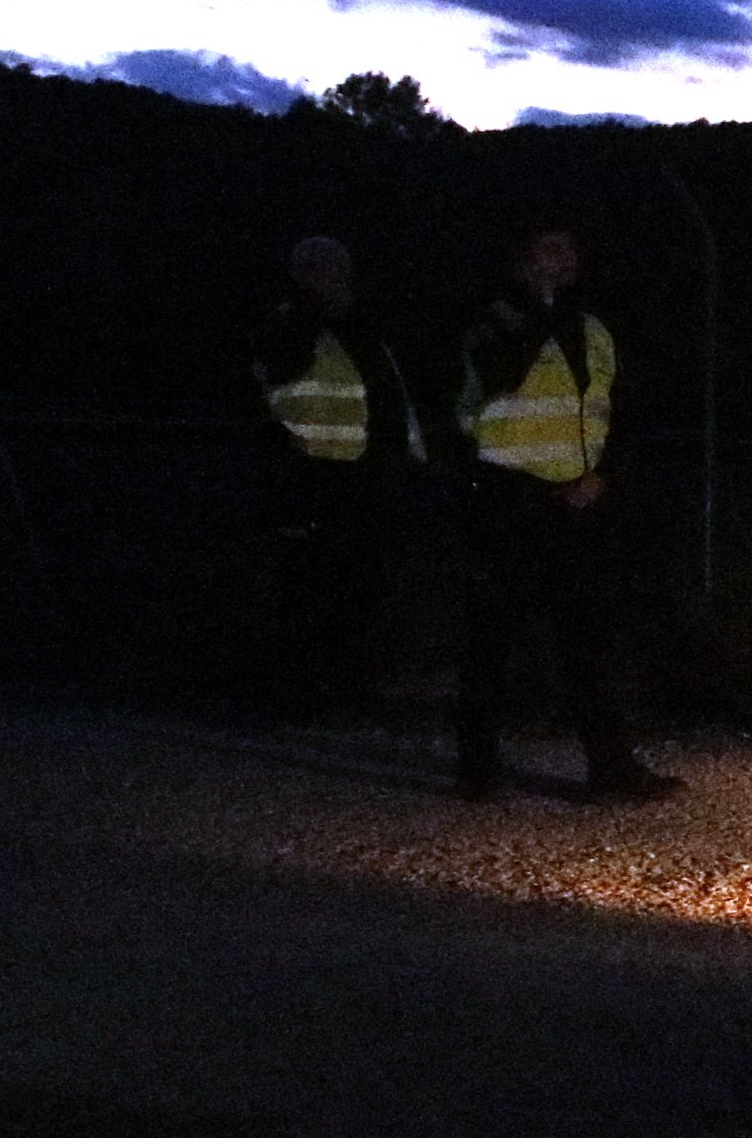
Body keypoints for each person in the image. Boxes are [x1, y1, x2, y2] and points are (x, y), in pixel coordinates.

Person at [451, 223, 675, 803]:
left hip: (577, 501)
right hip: (506, 496)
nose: (563, 259)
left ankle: (610, 769)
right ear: (520, 262)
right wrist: (539, 312)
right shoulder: (490, 320)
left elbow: (618, 410)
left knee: (588, 639)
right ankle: (477, 768)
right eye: (547, 249)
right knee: (491, 638)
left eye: (569, 249)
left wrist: (602, 477)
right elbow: (497, 379)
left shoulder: (594, 329)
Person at [250, 235, 423, 717]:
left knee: (359, 585)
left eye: (336, 269)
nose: (329, 278)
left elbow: (387, 392)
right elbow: (283, 367)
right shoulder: (285, 323)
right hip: (305, 474)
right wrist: (320, 311)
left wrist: (402, 457)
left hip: (360, 476)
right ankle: (299, 691)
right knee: (304, 586)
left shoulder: (358, 325)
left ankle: (348, 686)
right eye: (316, 270)